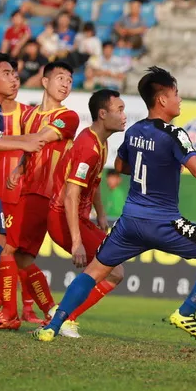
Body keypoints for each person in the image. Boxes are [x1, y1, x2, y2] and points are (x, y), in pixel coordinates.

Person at [34, 66, 196, 343]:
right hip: (164, 222)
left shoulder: (133, 131)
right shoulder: (174, 134)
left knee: (94, 272)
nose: (180, 100)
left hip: (129, 224)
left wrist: (157, 169)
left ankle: (53, 326)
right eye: (176, 94)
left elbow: (121, 166)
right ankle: (187, 311)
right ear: (163, 100)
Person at [0, 61, 78, 330]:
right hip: (27, 191)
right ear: (45, 81)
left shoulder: (68, 116)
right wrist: (19, 168)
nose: (66, 84)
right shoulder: (28, 116)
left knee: (6, 248)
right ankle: (52, 311)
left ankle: (9, 314)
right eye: (61, 78)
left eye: (70, 80)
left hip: (43, 193)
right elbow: (31, 150)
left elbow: (40, 138)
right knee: (21, 257)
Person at [45, 89, 127, 338]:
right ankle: (65, 318)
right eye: (119, 110)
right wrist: (77, 242)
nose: (124, 116)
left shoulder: (100, 142)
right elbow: (71, 195)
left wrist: (100, 214)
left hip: (78, 218)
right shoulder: (89, 148)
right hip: (63, 217)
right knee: (114, 271)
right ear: (102, 114)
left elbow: (94, 183)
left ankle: (62, 316)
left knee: (114, 270)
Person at [0, 53, 47, 329]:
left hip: (8, 193)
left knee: (5, 247)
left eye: (15, 74)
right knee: (5, 247)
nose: (14, 79)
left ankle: (16, 310)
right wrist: (24, 144)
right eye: (7, 73)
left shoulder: (10, 112)